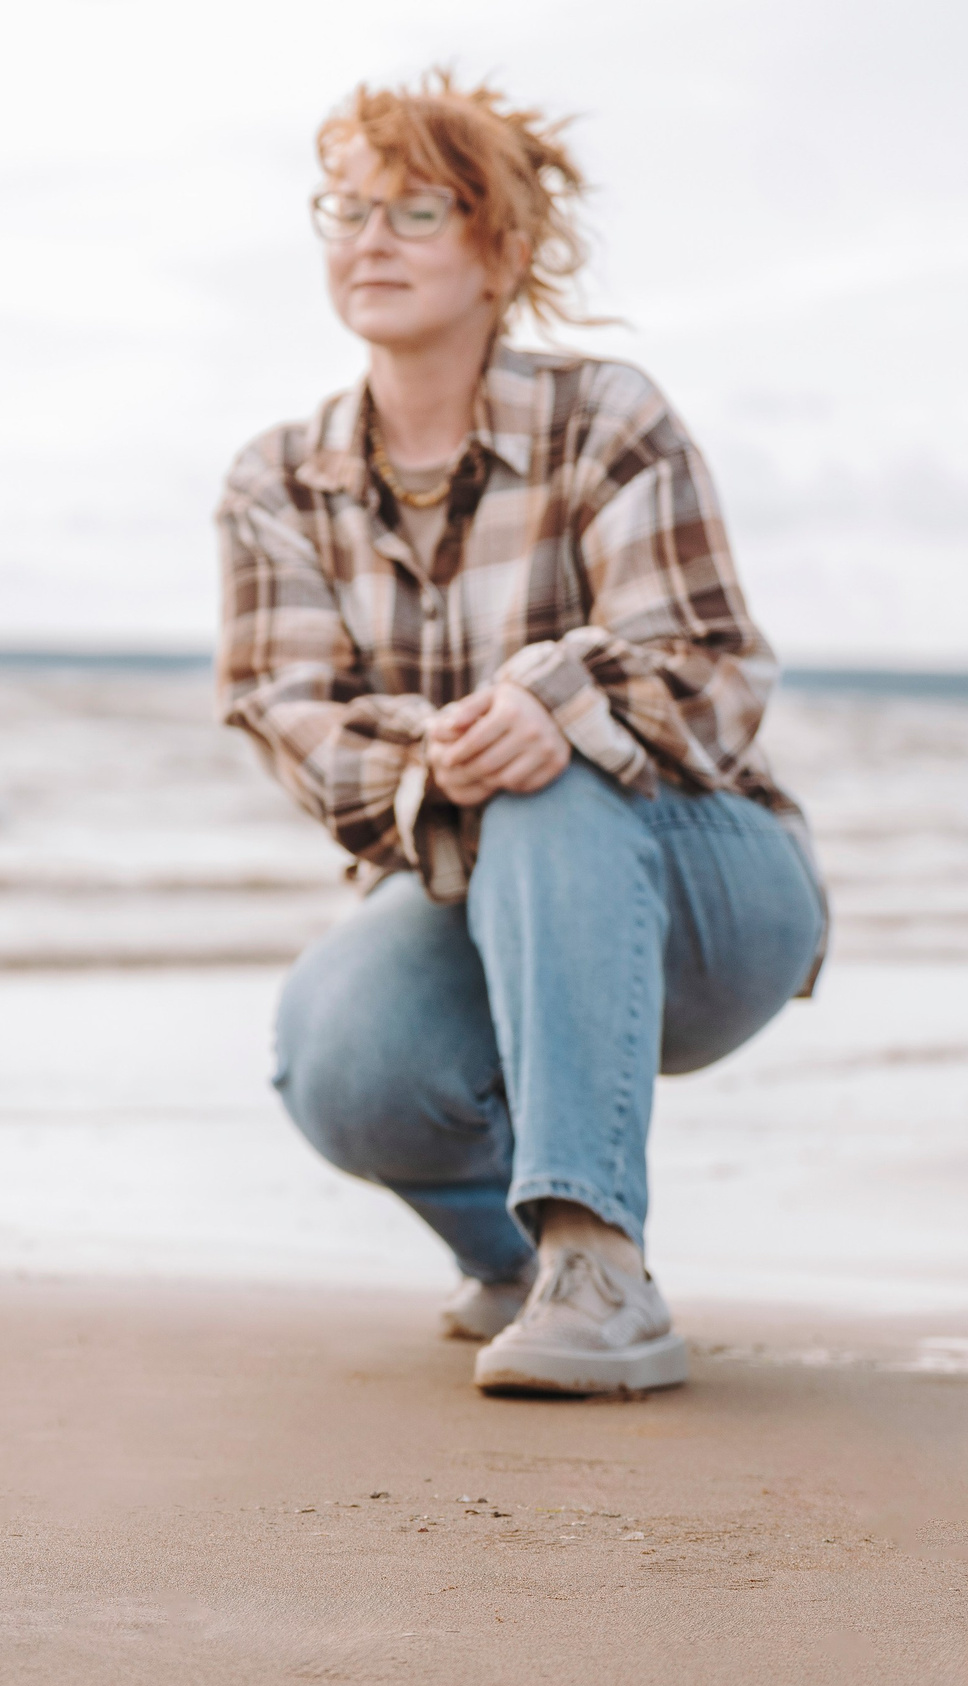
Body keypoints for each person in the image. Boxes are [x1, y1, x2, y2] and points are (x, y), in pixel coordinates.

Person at [215, 72, 826, 1395]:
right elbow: (288, 716)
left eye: (417, 210)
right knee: (335, 1049)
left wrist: (546, 705)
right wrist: (449, 755)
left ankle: (599, 1259)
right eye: (346, 208)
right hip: (471, 890)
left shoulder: (610, 418)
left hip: (712, 897)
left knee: (550, 765)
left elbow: (711, 674)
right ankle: (515, 1264)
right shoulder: (276, 481)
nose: (368, 237)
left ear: (501, 246)